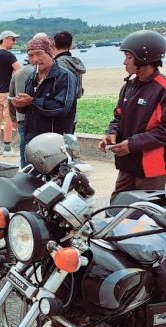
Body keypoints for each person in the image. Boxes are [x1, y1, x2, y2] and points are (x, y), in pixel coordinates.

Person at [100, 30, 166, 200]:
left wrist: (132, 144)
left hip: (151, 168)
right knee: (116, 206)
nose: (125, 62)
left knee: (145, 215)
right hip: (128, 164)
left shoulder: (162, 89)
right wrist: (111, 133)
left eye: (129, 57)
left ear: (145, 58)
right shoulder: (128, 87)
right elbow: (119, 117)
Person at [11, 36, 77, 167]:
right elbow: (28, 107)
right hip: (34, 140)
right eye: (30, 55)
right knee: (33, 179)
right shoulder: (31, 77)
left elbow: (62, 107)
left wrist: (32, 101)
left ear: (50, 52)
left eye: (39, 54)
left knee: (55, 181)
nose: (35, 59)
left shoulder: (65, 76)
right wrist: (20, 105)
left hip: (56, 142)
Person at [0, 30, 23, 156]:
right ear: (5, 39)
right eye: (12, 39)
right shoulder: (9, 55)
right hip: (7, 91)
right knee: (8, 117)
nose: (14, 42)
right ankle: (8, 148)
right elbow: (20, 70)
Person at [53, 31, 86, 133]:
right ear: (70, 45)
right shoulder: (76, 63)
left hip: (58, 114)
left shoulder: (57, 64)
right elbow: (78, 92)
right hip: (73, 112)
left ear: (53, 45)